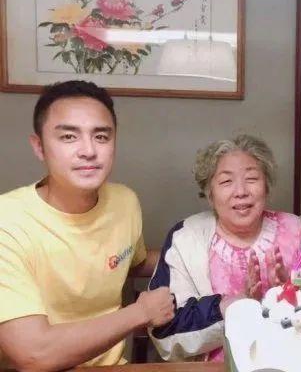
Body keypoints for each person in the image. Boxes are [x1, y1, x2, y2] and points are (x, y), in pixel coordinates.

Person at [0, 80, 175, 370]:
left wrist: (207, 250)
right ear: (39, 147)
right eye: (69, 137)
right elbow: (33, 354)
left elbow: (129, 262)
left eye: (101, 136)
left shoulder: (125, 202)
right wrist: (141, 312)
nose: (88, 150)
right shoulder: (7, 222)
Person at [148, 134, 301, 361]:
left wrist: (291, 293)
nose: (241, 191)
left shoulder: (295, 231)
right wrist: (234, 305)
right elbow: (165, 333)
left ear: (267, 186)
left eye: (251, 178)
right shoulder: (186, 239)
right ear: (210, 194)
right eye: (226, 182)